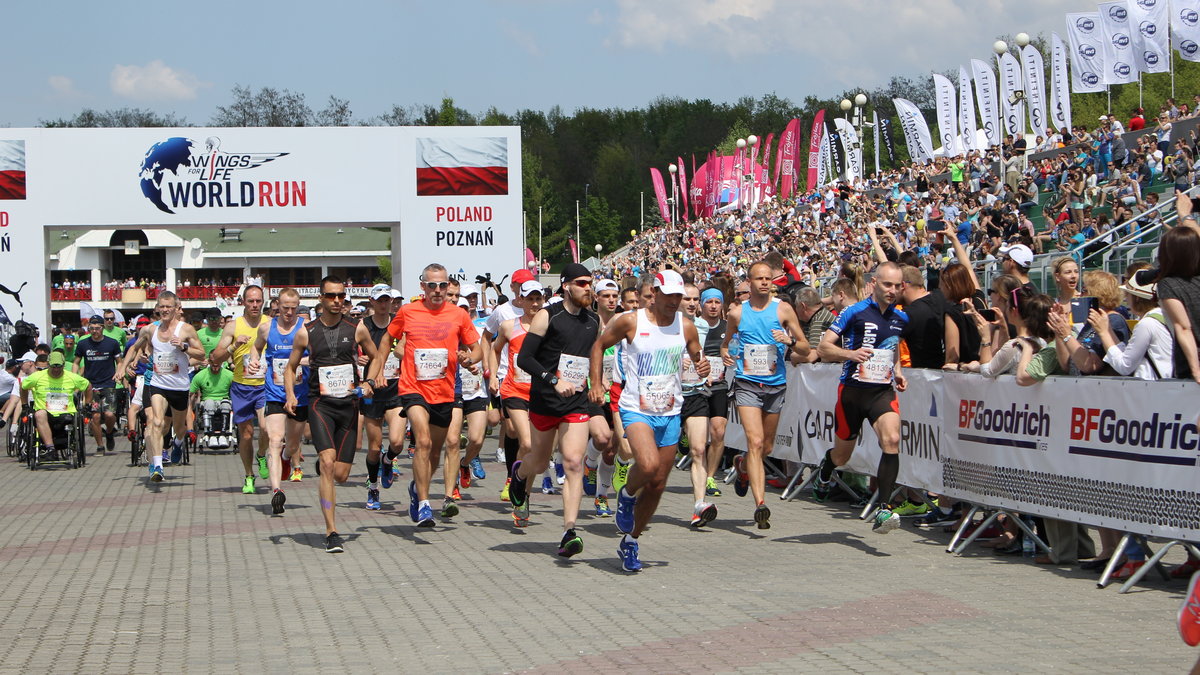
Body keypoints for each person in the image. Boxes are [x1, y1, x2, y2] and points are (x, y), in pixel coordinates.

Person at [590, 269, 709, 571]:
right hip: (636, 408)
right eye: (668, 295)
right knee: (649, 464)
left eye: (678, 297)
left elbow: (697, 355)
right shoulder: (632, 320)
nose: (674, 301)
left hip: (669, 411)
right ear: (654, 293)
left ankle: (631, 540)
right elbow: (598, 346)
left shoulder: (686, 327)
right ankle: (627, 494)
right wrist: (596, 383)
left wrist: (702, 364)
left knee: (657, 484)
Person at [378, 263, 482, 527]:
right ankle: (425, 504)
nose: (437, 290)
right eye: (432, 285)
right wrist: (377, 371)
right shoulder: (408, 311)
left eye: (443, 285)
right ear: (422, 286)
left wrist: (469, 358)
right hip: (414, 388)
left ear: (448, 287)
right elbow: (386, 340)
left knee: (435, 451)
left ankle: (416, 488)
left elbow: (477, 349)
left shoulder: (458, 316)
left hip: (444, 391)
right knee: (422, 441)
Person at [508, 263, 601, 558]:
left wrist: (597, 382)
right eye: (583, 283)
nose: (589, 288)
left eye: (591, 283)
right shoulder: (549, 315)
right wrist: (552, 379)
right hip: (545, 400)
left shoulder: (594, 321)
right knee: (537, 461)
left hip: (576, 403)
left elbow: (595, 355)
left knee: (573, 462)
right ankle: (520, 475)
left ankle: (569, 531)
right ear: (566, 286)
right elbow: (525, 358)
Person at [283, 275, 380, 553]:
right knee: (327, 463)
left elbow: (376, 357)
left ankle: (328, 467)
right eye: (331, 296)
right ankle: (331, 531)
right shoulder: (306, 331)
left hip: (348, 406)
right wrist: (291, 394)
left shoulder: (357, 328)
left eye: (341, 296)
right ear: (321, 298)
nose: (337, 301)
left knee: (341, 475)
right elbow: (290, 367)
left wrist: (369, 382)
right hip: (320, 404)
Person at [813, 262, 910, 534]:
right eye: (887, 284)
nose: (892, 290)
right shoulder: (853, 312)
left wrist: (898, 371)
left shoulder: (900, 318)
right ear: (874, 283)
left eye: (897, 285)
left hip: (881, 391)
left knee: (891, 440)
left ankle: (884, 509)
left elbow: (892, 347)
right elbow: (824, 347)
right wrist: (851, 355)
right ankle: (827, 465)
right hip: (852, 393)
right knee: (843, 457)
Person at [721, 261, 810, 529]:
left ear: (773, 281)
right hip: (747, 383)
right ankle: (760, 504)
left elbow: (805, 348)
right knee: (755, 442)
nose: (763, 282)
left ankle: (743, 466)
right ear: (749, 282)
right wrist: (726, 353)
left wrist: (790, 341)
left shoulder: (783, 309)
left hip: (775, 384)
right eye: (758, 279)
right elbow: (726, 344)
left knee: (767, 447)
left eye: (767, 279)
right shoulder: (737, 313)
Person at [119, 292, 204, 481]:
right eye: (161, 307)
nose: (165, 310)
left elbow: (201, 354)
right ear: (157, 308)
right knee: (156, 422)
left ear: (175, 309)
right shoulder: (150, 330)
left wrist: (183, 347)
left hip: (180, 386)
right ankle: (157, 466)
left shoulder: (186, 329)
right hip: (158, 383)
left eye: (168, 307)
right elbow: (134, 347)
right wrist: (122, 368)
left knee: (179, 427)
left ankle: (179, 443)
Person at [249, 287, 310, 515]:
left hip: (299, 394)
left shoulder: (305, 330)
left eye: (294, 308)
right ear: (278, 305)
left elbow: (316, 355)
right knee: (274, 438)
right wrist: (254, 361)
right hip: (274, 392)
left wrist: (301, 363)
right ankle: (276, 492)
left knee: (292, 444)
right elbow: (256, 349)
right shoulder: (267, 328)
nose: (289, 312)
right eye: (285, 308)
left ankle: (287, 458)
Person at [490, 280, 543, 524]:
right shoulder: (510, 326)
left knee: (534, 450)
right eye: (529, 299)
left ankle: (523, 492)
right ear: (520, 300)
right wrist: (492, 376)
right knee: (528, 442)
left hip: (540, 394)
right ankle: (517, 485)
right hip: (514, 391)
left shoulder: (548, 328)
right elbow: (495, 349)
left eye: (538, 299)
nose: (534, 303)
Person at [210, 286, 269, 494]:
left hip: (265, 386)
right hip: (242, 386)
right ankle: (249, 475)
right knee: (245, 435)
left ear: (263, 302)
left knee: (267, 428)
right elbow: (215, 358)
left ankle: (262, 454)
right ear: (243, 302)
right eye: (251, 301)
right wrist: (234, 346)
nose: (254, 305)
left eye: (258, 301)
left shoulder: (270, 324)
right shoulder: (233, 326)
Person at [358, 284, 405, 511]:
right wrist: (359, 361)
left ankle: (389, 460)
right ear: (372, 302)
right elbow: (348, 352)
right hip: (371, 393)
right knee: (374, 447)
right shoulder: (363, 327)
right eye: (380, 300)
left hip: (396, 390)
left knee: (396, 442)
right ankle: (373, 486)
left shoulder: (399, 323)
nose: (384, 304)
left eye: (388, 300)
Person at [20, 351, 92, 455]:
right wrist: (24, 405)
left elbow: (88, 386)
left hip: (66, 414)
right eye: (53, 367)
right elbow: (23, 386)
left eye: (59, 366)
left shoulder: (71, 377)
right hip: (45, 414)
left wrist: (88, 405)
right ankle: (50, 448)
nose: (56, 369)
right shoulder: (38, 376)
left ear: (64, 365)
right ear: (48, 365)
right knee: (39, 414)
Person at [74, 315, 123, 455]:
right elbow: (76, 362)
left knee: (109, 414)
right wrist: (76, 378)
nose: (95, 331)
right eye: (92, 328)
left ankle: (109, 432)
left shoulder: (112, 343)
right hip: (91, 386)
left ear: (102, 328)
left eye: (97, 328)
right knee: (95, 416)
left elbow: (120, 361)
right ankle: (100, 446)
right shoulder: (83, 344)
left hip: (108, 384)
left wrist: (119, 372)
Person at [188, 360, 233, 449]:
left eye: (217, 365)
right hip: (207, 401)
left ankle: (223, 435)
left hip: (224, 399)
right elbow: (191, 393)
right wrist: (190, 407)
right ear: (209, 363)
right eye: (213, 365)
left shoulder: (229, 375)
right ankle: (211, 434)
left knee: (226, 404)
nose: (215, 368)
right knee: (209, 403)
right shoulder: (201, 375)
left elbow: (236, 390)